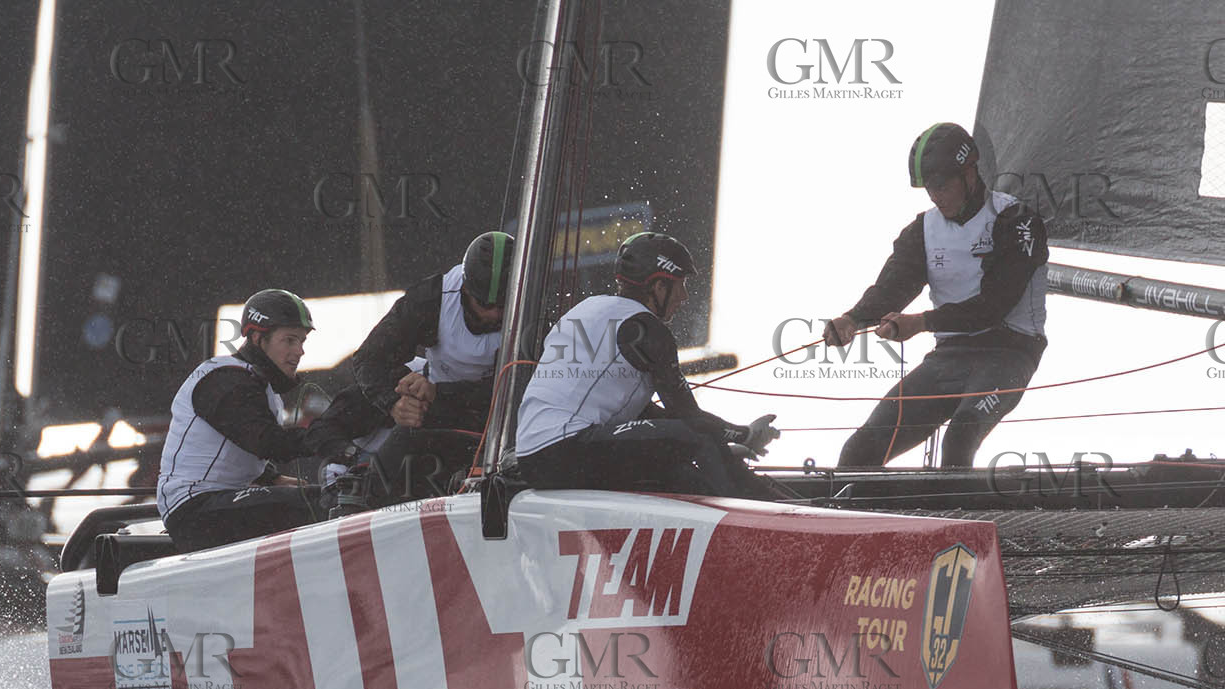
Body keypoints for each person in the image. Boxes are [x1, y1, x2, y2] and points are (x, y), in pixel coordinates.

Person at [828, 122, 1048, 468]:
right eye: (929, 188)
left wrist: (920, 322)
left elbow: (994, 306)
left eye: (942, 185)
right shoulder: (923, 230)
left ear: (969, 174)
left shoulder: (1016, 220)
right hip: (949, 356)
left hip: (1009, 353)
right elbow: (892, 288)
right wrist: (853, 319)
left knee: (960, 436)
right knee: (860, 449)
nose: (935, 196)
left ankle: (959, 503)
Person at [514, 231, 783, 499]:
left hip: (534, 458)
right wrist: (746, 435)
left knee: (681, 471)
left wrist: (722, 444)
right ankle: (758, 511)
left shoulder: (588, 308)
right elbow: (690, 418)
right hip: (565, 449)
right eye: (680, 284)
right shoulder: (646, 328)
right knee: (699, 437)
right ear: (658, 287)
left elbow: (652, 417)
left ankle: (757, 503)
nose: (684, 297)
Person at [156, 289, 353, 552]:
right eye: (289, 340)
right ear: (259, 338)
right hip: (195, 512)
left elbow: (227, 447)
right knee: (329, 502)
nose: (300, 351)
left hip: (212, 504)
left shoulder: (254, 383)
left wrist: (270, 477)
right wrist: (330, 435)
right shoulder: (225, 379)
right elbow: (266, 441)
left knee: (329, 498)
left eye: (302, 341)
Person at [342, 232, 514, 501]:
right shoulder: (430, 299)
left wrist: (439, 392)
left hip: (505, 416)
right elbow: (369, 358)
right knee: (386, 473)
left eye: (503, 304)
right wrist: (394, 403)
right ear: (465, 289)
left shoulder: (532, 307)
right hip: (439, 412)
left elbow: (521, 385)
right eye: (484, 304)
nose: (494, 314)